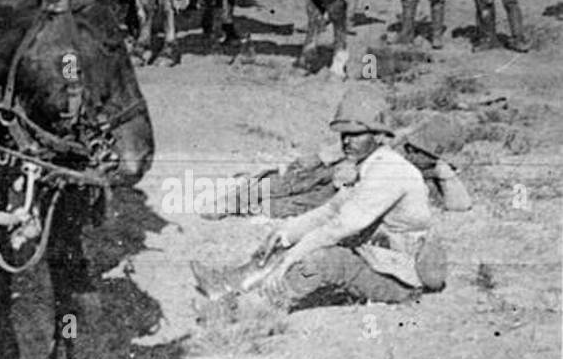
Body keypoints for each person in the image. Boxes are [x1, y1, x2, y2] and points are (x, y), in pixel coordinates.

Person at [191, 90, 447, 311]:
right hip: (376, 259)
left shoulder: (389, 171)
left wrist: (291, 258)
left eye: (357, 134)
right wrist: (287, 233)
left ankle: (252, 309)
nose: (347, 140)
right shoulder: (370, 165)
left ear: (379, 135)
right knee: (288, 239)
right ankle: (229, 284)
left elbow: (339, 228)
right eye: (344, 134)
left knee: (322, 260)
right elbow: (331, 210)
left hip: (400, 279)